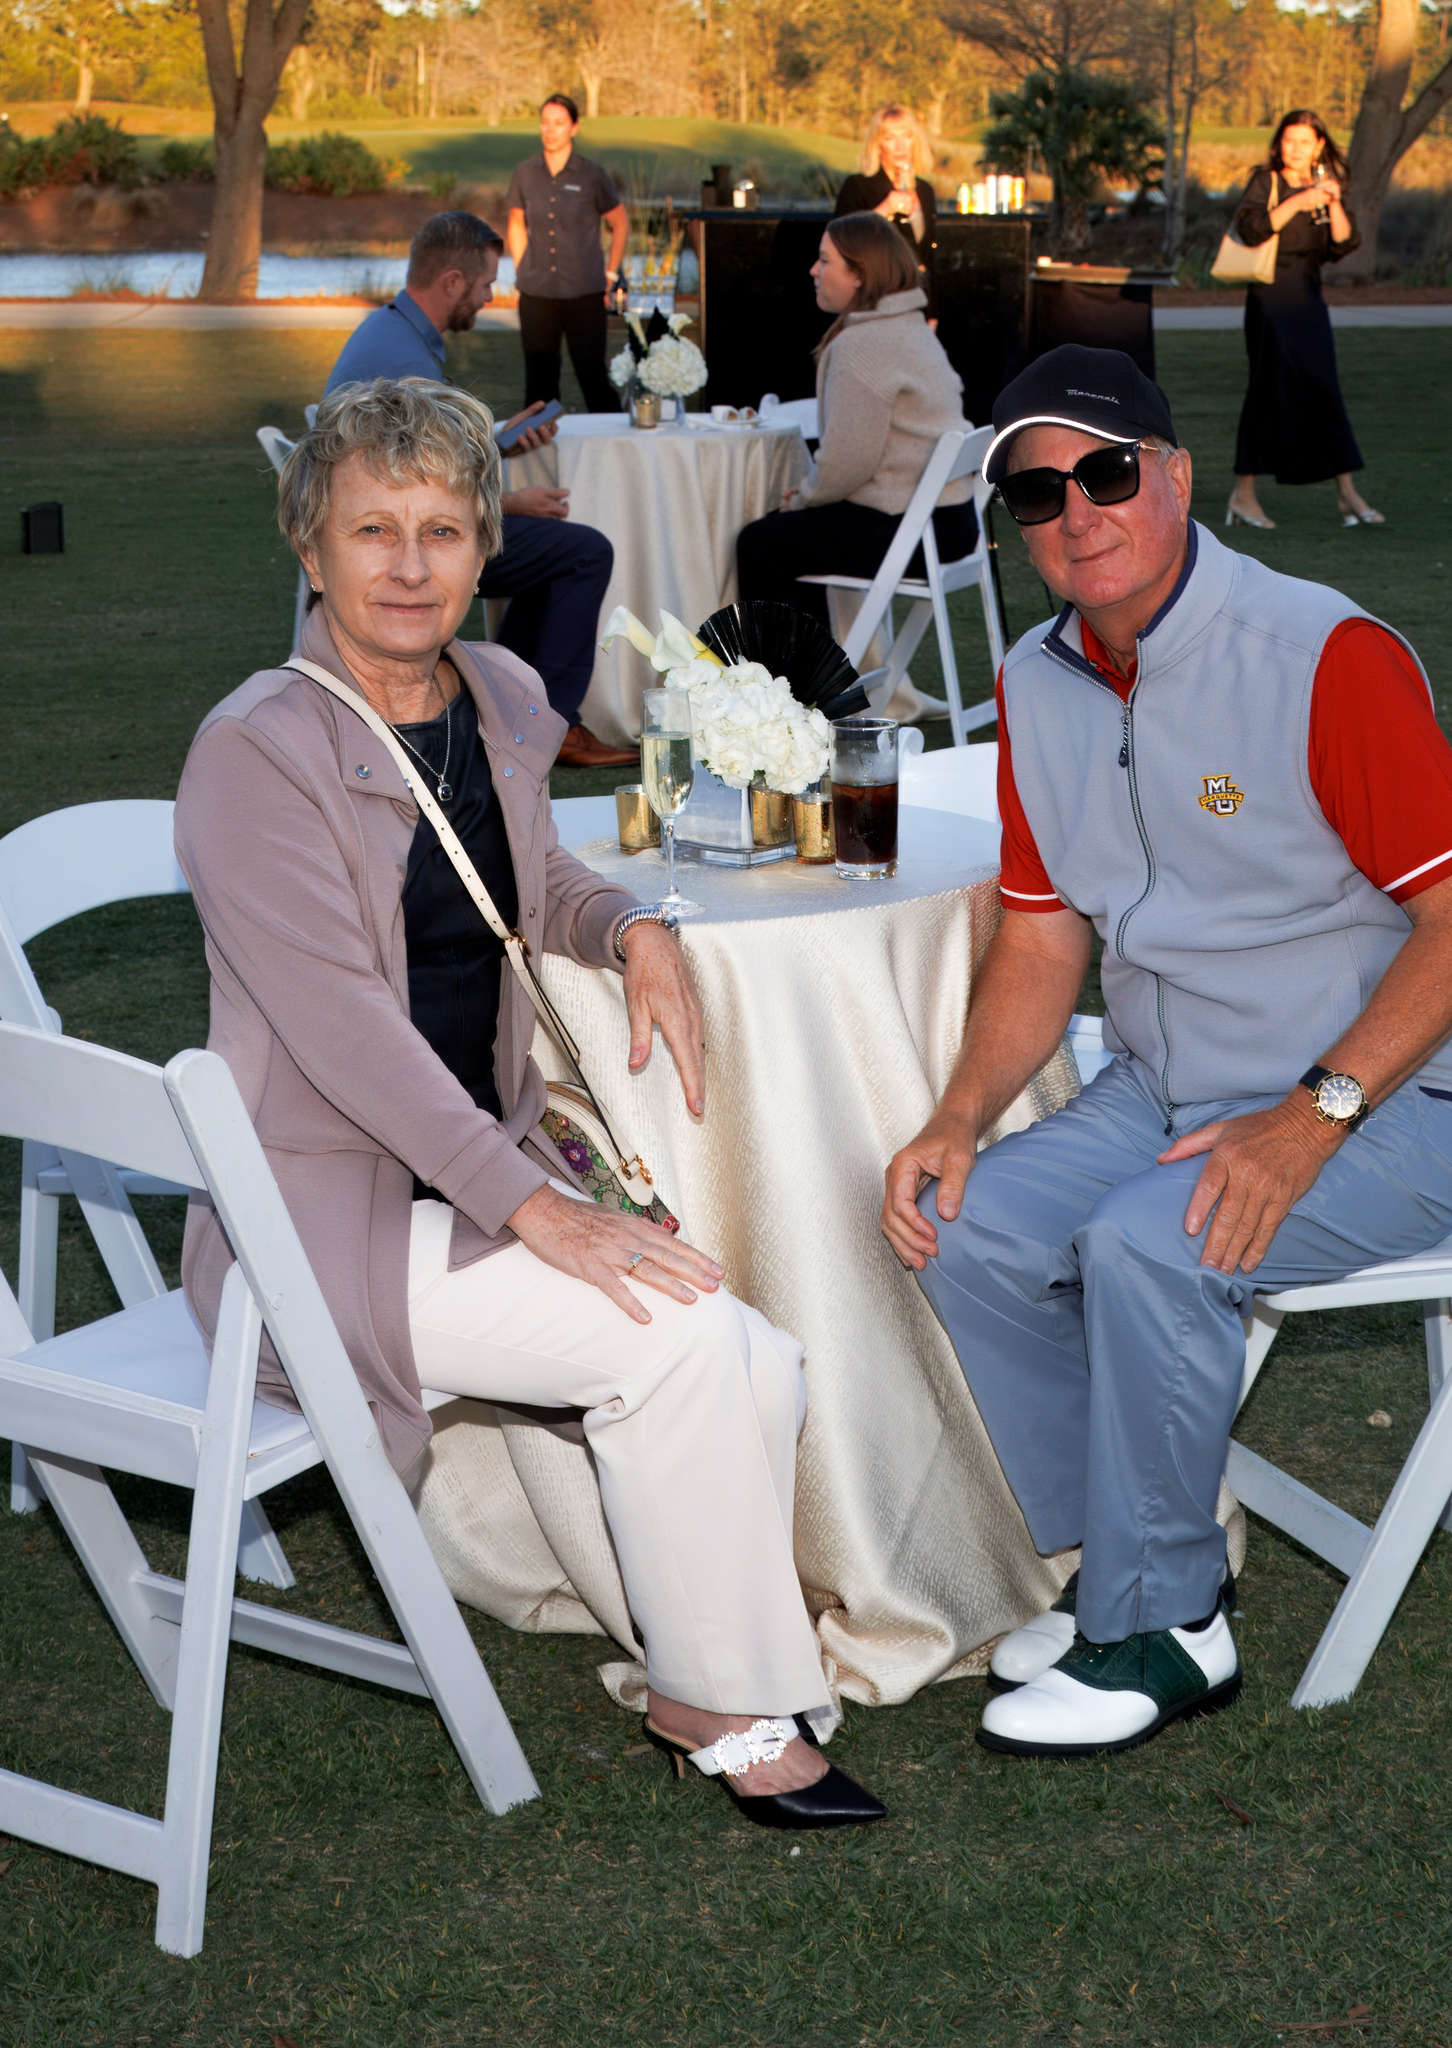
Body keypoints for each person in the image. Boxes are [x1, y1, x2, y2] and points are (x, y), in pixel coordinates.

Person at [175, 377, 884, 1830]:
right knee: (688, 1341)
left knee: (754, 1352)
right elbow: (346, 1037)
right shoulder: (257, 751)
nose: (411, 565)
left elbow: (528, 886)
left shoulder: (496, 697)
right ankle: (728, 1702)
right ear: (309, 548)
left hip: (463, 1175)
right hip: (317, 1222)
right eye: (373, 529)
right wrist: (535, 1210)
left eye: (444, 529)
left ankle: (705, 1660)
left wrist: (627, 926)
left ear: (484, 545)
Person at [880, 347, 1452, 1759]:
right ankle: (1119, 1555)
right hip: (1169, 1085)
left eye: (1106, 473)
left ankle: (1171, 1623)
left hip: (1393, 1102)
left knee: (1148, 1247)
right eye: (1038, 495)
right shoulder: (1039, 681)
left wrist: (1313, 1118)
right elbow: (1045, 945)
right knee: (956, 1221)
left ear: (1171, 476)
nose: (1077, 513)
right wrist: (959, 1115)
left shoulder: (1321, 653)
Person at [326, 210, 633, 767]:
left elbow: (420, 451)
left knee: (555, 550)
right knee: (585, 552)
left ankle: (505, 707)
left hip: (380, 526)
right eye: (486, 283)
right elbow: (423, 486)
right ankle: (551, 726)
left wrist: (498, 439)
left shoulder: (391, 330)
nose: (490, 296)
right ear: (451, 283)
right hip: (401, 542)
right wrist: (513, 503)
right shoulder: (406, 359)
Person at [733, 212, 977, 630]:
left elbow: (849, 461)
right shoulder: (908, 326)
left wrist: (805, 496)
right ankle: (811, 679)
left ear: (860, 274)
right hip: (951, 521)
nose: (813, 270)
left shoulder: (863, 344)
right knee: (788, 536)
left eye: (825, 260)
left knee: (761, 543)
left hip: (912, 528)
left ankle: (795, 688)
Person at [1226, 109, 1380, 530]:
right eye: (1289, 140)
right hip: (1270, 295)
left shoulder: (1321, 185)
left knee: (1323, 387)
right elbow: (1252, 230)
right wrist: (1297, 201)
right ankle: (1244, 493)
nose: (1295, 148)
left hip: (1309, 296)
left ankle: (1347, 492)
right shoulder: (1267, 180)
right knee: (1267, 389)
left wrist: (1330, 200)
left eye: (1305, 142)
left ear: (1319, 146)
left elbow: (1344, 244)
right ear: (1279, 143)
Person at [506, 95, 627, 415]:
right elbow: (516, 224)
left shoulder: (592, 175)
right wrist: (522, 271)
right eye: (545, 122)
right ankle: (537, 457)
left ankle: (616, 450)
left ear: (574, 128)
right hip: (536, 293)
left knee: (593, 378)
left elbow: (620, 224)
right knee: (539, 385)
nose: (550, 130)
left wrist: (611, 275)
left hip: (584, 293)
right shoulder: (525, 173)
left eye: (558, 123)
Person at [834, 105, 938, 270]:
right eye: (890, 138)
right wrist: (884, 209)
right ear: (877, 144)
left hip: (917, 290)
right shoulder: (857, 186)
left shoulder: (925, 190)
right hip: (877, 288)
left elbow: (926, 251)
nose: (900, 146)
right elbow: (841, 240)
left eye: (907, 136)